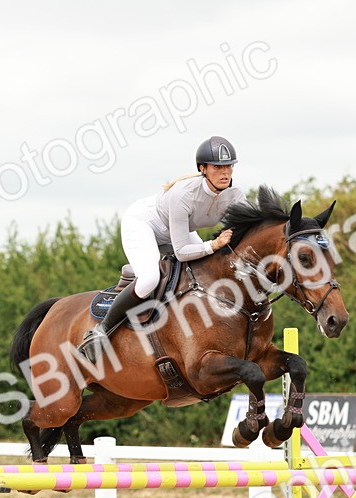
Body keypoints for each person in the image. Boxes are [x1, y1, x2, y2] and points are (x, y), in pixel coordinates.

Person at [78, 135, 244, 364]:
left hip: (178, 230)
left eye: (229, 166)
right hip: (144, 223)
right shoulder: (183, 194)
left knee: (207, 268)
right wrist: (213, 245)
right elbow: (182, 251)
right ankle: (101, 331)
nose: (225, 172)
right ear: (203, 168)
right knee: (149, 278)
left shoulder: (236, 196)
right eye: (217, 167)